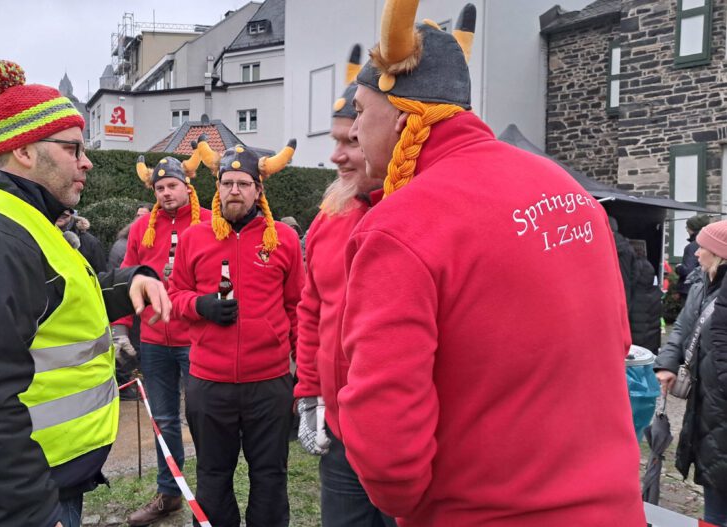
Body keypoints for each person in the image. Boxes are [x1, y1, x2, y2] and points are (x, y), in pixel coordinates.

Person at [338, 2, 645, 525]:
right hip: (614, 509)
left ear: (403, 116)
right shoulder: (565, 188)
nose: (355, 133)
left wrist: (408, 502)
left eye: (362, 113)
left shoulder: (400, 225)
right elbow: (617, 341)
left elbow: (385, 435)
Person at [0, 60, 170, 527]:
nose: (87, 161)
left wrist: (127, 284)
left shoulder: (18, 221)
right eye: (73, 148)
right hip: (1, 500)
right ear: (25, 151)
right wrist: (29, 512)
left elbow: (54, 299)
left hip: (26, 482)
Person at [168, 140, 304, 527]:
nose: (234, 191)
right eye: (227, 183)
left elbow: (298, 308)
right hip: (210, 384)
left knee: (271, 477)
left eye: (243, 184)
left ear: (258, 190)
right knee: (212, 478)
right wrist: (201, 306)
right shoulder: (194, 238)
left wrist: (305, 373)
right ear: (218, 188)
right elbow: (173, 296)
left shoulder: (283, 238)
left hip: (269, 383)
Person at [293, 43, 395, 527]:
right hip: (340, 433)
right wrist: (309, 394)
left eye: (351, 141)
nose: (336, 156)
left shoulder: (420, 212)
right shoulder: (328, 218)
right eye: (335, 140)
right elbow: (312, 310)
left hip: (404, 433)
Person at [120, 150, 211, 526]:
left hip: (197, 338)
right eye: (160, 188)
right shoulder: (142, 228)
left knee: (203, 417)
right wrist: (120, 328)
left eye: (172, 185)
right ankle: (169, 493)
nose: (166, 193)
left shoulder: (210, 222)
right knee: (163, 419)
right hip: (155, 339)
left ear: (188, 187)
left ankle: (209, 493)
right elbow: (126, 276)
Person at [658, 220, 727, 526]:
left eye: (703, 248)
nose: (696, 253)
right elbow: (683, 328)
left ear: (720, 254)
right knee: (713, 484)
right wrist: (667, 363)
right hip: (705, 404)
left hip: (721, 403)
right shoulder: (701, 282)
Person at [56, 208, 107, 274]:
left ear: (71, 214)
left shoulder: (91, 242)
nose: (59, 214)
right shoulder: (44, 234)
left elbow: (100, 273)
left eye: (64, 215)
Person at [676, 214, 711, 299]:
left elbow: (688, 270)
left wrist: (678, 267)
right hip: (704, 289)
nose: (686, 229)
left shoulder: (692, 247)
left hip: (690, 290)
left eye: (687, 227)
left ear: (692, 229)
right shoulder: (709, 243)